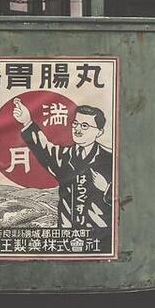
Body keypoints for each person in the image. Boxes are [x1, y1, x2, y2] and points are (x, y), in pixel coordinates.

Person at [13, 98, 113, 230]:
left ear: (99, 132)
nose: (77, 129)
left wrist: (107, 188)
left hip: (99, 234)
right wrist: (27, 122)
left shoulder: (110, 158)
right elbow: (43, 148)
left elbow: (130, 198)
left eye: (84, 126)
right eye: (75, 124)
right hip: (67, 232)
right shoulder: (65, 156)